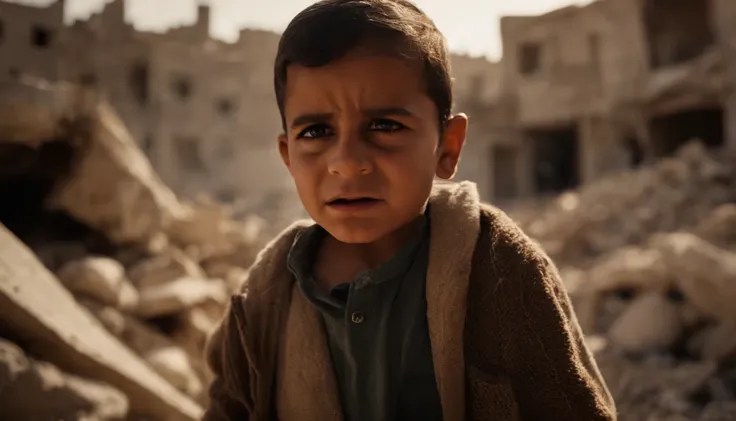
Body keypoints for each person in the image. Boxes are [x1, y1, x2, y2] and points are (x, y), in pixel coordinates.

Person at [203, 0, 617, 420]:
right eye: (316, 132)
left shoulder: (499, 269)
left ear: (447, 147)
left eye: (384, 126)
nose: (347, 161)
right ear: (288, 155)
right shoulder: (266, 295)